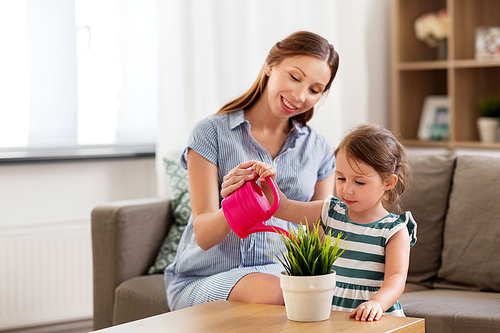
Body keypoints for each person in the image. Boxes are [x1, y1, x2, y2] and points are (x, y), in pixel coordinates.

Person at [164, 31, 340, 311]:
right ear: (271, 65)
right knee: (280, 294)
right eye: (294, 77)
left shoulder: (320, 150)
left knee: (312, 295)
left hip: (280, 274)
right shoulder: (211, 133)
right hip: (205, 276)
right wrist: (239, 202)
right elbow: (204, 236)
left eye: (315, 90)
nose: (300, 95)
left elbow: (319, 235)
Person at [250, 124, 417, 322]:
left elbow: (395, 279)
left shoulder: (394, 230)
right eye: (341, 178)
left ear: (388, 182)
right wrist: (268, 185)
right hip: (333, 312)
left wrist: (377, 303)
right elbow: (284, 208)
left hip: (374, 317)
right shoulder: (331, 211)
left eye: (359, 182)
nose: (347, 190)